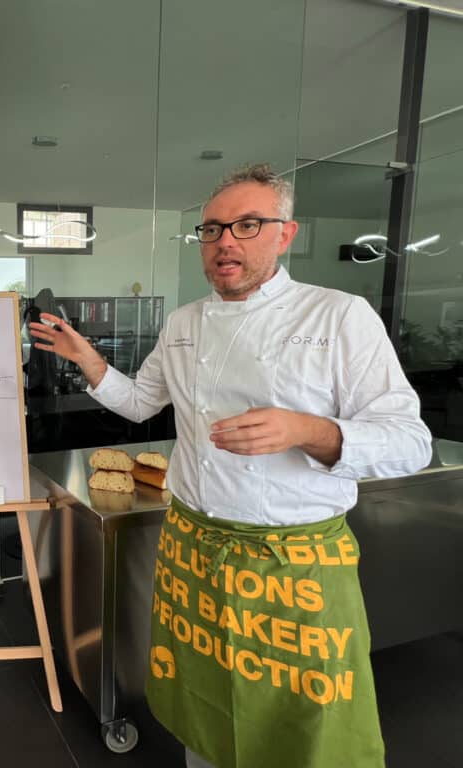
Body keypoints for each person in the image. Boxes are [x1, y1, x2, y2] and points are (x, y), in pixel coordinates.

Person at [29, 163, 432, 768]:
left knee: (307, 719)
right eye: (213, 229)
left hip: (292, 564)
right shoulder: (184, 322)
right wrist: (87, 360)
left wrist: (308, 430)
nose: (226, 242)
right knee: (207, 704)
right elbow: (140, 403)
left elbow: (410, 442)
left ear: (285, 234)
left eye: (247, 225)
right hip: (194, 548)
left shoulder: (338, 316)